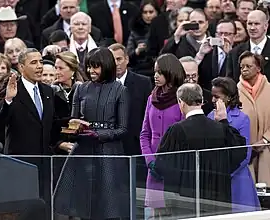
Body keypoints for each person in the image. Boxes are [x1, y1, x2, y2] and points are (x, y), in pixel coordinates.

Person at [54, 47, 130, 219]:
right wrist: (76, 130)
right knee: (82, 203)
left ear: (106, 65)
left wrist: (99, 135)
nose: (91, 71)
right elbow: (72, 121)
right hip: (83, 151)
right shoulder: (80, 89)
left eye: (95, 66)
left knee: (108, 204)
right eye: (89, 66)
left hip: (109, 154)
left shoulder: (120, 90)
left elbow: (123, 129)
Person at [152, 83, 247, 218]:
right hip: (218, 202)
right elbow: (239, 152)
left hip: (186, 203)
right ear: (201, 102)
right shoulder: (220, 129)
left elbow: (162, 165)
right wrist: (224, 121)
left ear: (181, 103)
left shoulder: (176, 131)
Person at [0, 48, 57, 215]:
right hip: (20, 165)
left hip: (45, 165)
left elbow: (52, 125)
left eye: (40, 61)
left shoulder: (48, 91)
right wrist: (8, 100)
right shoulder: (11, 89)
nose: (40, 66)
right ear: (21, 67)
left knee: (44, 212)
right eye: (34, 63)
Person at [140, 53, 185, 218]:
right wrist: (150, 160)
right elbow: (144, 134)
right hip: (154, 169)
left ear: (170, 72)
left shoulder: (182, 99)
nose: (155, 76)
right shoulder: (151, 98)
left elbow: (184, 137)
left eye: (160, 72)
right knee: (155, 214)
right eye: (154, 72)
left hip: (174, 168)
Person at [208, 77, 260, 212]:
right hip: (215, 180)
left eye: (216, 97)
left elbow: (245, 156)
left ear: (228, 98)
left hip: (237, 180)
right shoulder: (209, 117)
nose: (213, 100)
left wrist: (225, 174)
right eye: (212, 96)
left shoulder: (242, 119)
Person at [237, 51, 270, 185]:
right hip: (245, 153)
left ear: (258, 68)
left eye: (248, 66)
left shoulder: (269, 90)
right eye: (241, 67)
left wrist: (265, 139)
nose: (244, 70)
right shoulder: (235, 92)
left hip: (267, 149)